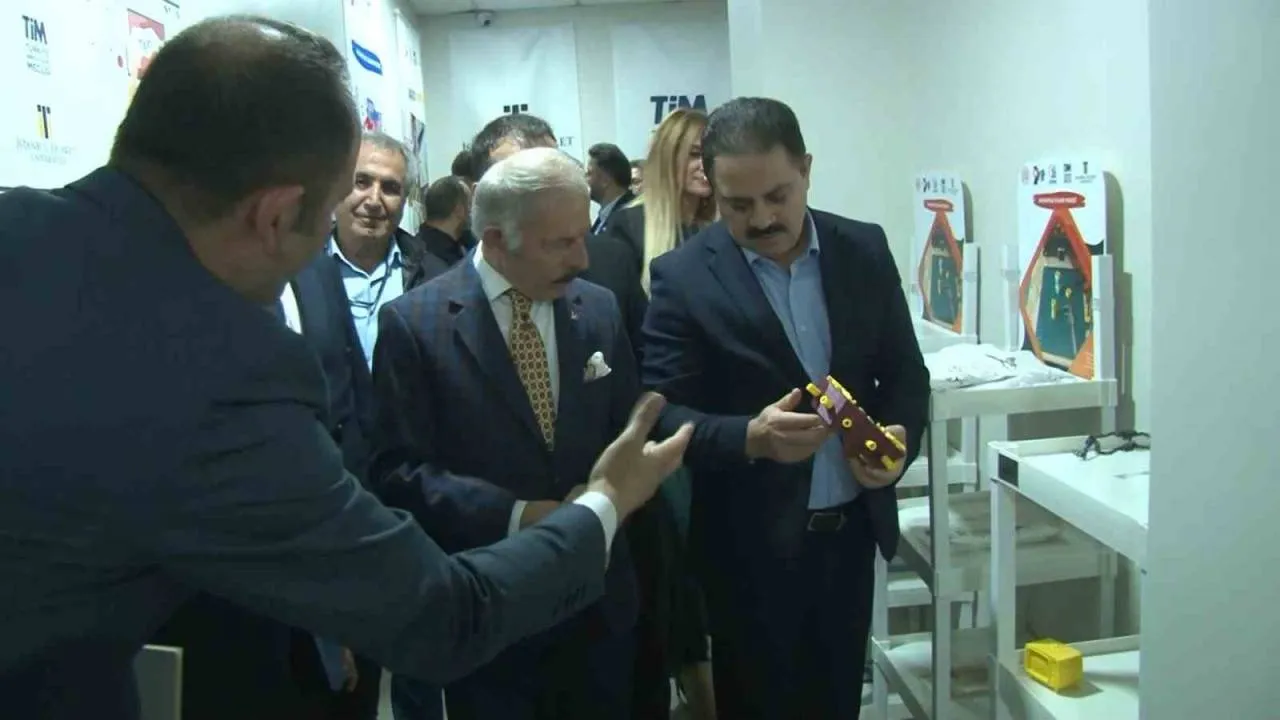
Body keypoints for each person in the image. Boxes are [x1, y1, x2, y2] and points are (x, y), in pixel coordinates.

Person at [0, 16, 692, 720]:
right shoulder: (225, 381)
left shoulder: (20, 234)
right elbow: (443, 614)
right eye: (332, 209)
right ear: (276, 216)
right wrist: (605, 503)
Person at [640, 97, 931, 720]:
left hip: (849, 537)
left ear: (806, 169)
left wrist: (900, 441)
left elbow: (907, 373)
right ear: (712, 190)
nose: (763, 218)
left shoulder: (863, 248)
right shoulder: (682, 277)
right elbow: (662, 415)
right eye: (738, 204)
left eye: (778, 196)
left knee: (837, 704)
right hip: (748, 550)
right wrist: (750, 437)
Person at [372, 147, 640, 720]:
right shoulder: (414, 324)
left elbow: (624, 433)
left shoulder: (597, 309)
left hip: (597, 605)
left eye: (582, 236)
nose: (582, 258)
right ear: (495, 240)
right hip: (493, 609)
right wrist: (520, 514)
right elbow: (398, 473)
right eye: (560, 244)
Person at [607, 108, 719, 720]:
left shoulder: (726, 228)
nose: (705, 165)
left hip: (726, 423)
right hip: (660, 426)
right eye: (695, 152)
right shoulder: (629, 233)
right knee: (678, 568)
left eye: (713, 153)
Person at [469, 115, 648, 359]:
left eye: (556, 171)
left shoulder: (611, 267)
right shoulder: (427, 319)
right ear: (480, 197)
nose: (550, 190)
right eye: (526, 181)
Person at [331, 131, 448, 368]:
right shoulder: (297, 268)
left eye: (390, 188)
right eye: (361, 182)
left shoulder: (434, 277)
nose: (374, 201)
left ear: (405, 200)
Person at [418, 175, 474, 269]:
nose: (472, 212)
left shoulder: (466, 243)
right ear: (459, 210)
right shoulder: (428, 260)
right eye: (470, 205)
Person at [587, 142, 636, 234]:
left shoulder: (630, 217)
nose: (585, 179)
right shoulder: (606, 215)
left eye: (589, 173)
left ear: (605, 180)